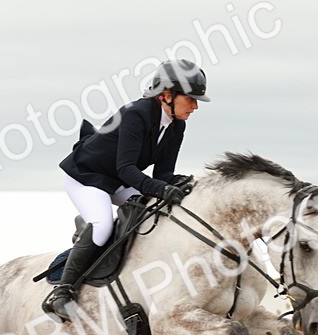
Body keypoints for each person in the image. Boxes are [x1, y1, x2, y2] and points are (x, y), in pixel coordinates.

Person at [44, 58, 209, 321]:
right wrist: (161, 189)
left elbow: (162, 174)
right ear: (167, 95)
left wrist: (179, 184)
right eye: (190, 98)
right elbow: (126, 169)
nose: (195, 106)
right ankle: (62, 292)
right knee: (102, 226)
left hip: (117, 180)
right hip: (87, 176)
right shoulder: (136, 114)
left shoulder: (177, 125)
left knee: (152, 213)